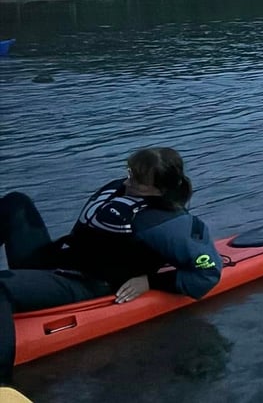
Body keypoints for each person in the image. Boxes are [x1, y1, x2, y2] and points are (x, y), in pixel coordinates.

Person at [0, 147, 222, 384]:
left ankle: (3, 385)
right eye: (130, 174)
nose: (127, 183)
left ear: (160, 190)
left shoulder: (169, 222)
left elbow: (208, 273)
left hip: (85, 283)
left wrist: (150, 282)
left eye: (137, 181)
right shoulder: (120, 188)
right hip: (55, 260)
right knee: (15, 202)